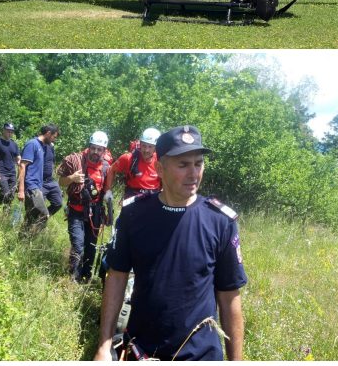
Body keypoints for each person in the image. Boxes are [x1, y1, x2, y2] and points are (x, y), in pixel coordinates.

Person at [94, 126, 246, 361]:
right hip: (142, 351)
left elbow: (229, 298)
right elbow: (116, 277)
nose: (194, 173)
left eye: (198, 163)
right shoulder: (135, 215)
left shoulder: (219, 221)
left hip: (200, 355)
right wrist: (104, 346)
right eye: (183, 165)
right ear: (159, 168)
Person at [57, 131, 113, 282]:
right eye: (93, 148)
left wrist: (107, 210)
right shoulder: (77, 161)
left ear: (104, 150)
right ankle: (73, 277)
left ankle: (85, 276)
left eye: (99, 149)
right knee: (78, 245)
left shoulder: (106, 167)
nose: (95, 152)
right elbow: (61, 182)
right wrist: (72, 178)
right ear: (89, 147)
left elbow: (106, 190)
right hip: (76, 210)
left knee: (91, 247)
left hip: (95, 213)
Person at [18, 123, 62, 233]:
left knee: (32, 214)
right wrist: (21, 190)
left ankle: (25, 238)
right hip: (31, 185)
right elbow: (22, 166)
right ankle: (28, 236)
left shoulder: (43, 146)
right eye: (54, 137)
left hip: (38, 185)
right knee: (43, 213)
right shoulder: (32, 144)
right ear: (48, 133)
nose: (54, 139)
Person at [109, 128, 162, 204]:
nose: (146, 150)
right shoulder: (129, 158)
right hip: (132, 198)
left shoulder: (160, 161)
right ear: (140, 144)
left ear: (155, 148)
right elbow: (111, 170)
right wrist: (108, 191)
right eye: (144, 145)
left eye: (150, 146)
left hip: (153, 199)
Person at [0, 123, 20, 205]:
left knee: (11, 195)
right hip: (1, 173)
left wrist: (21, 165)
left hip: (12, 173)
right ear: (3, 131)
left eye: (11, 131)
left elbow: (18, 158)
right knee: (5, 194)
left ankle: (2, 212)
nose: (10, 133)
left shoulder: (14, 144)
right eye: (8, 131)